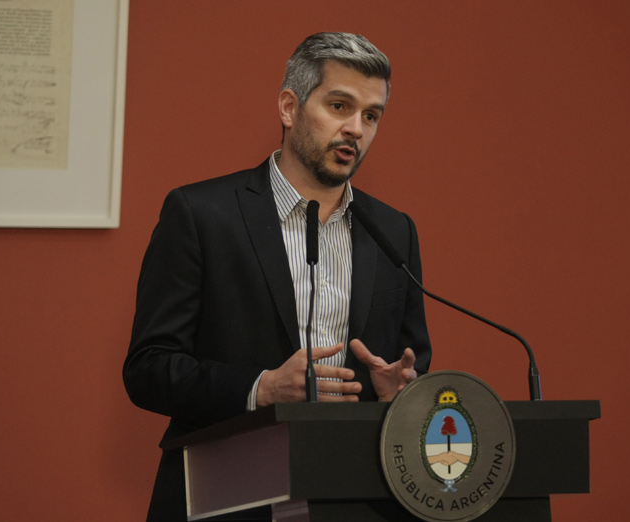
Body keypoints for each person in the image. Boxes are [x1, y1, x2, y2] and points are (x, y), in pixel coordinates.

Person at [123, 32, 432, 521]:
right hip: (228, 494)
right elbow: (149, 369)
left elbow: (412, 363)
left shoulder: (393, 231)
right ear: (289, 107)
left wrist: (396, 395)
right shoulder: (202, 215)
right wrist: (261, 388)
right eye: (339, 106)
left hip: (353, 496)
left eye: (371, 116)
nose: (355, 129)